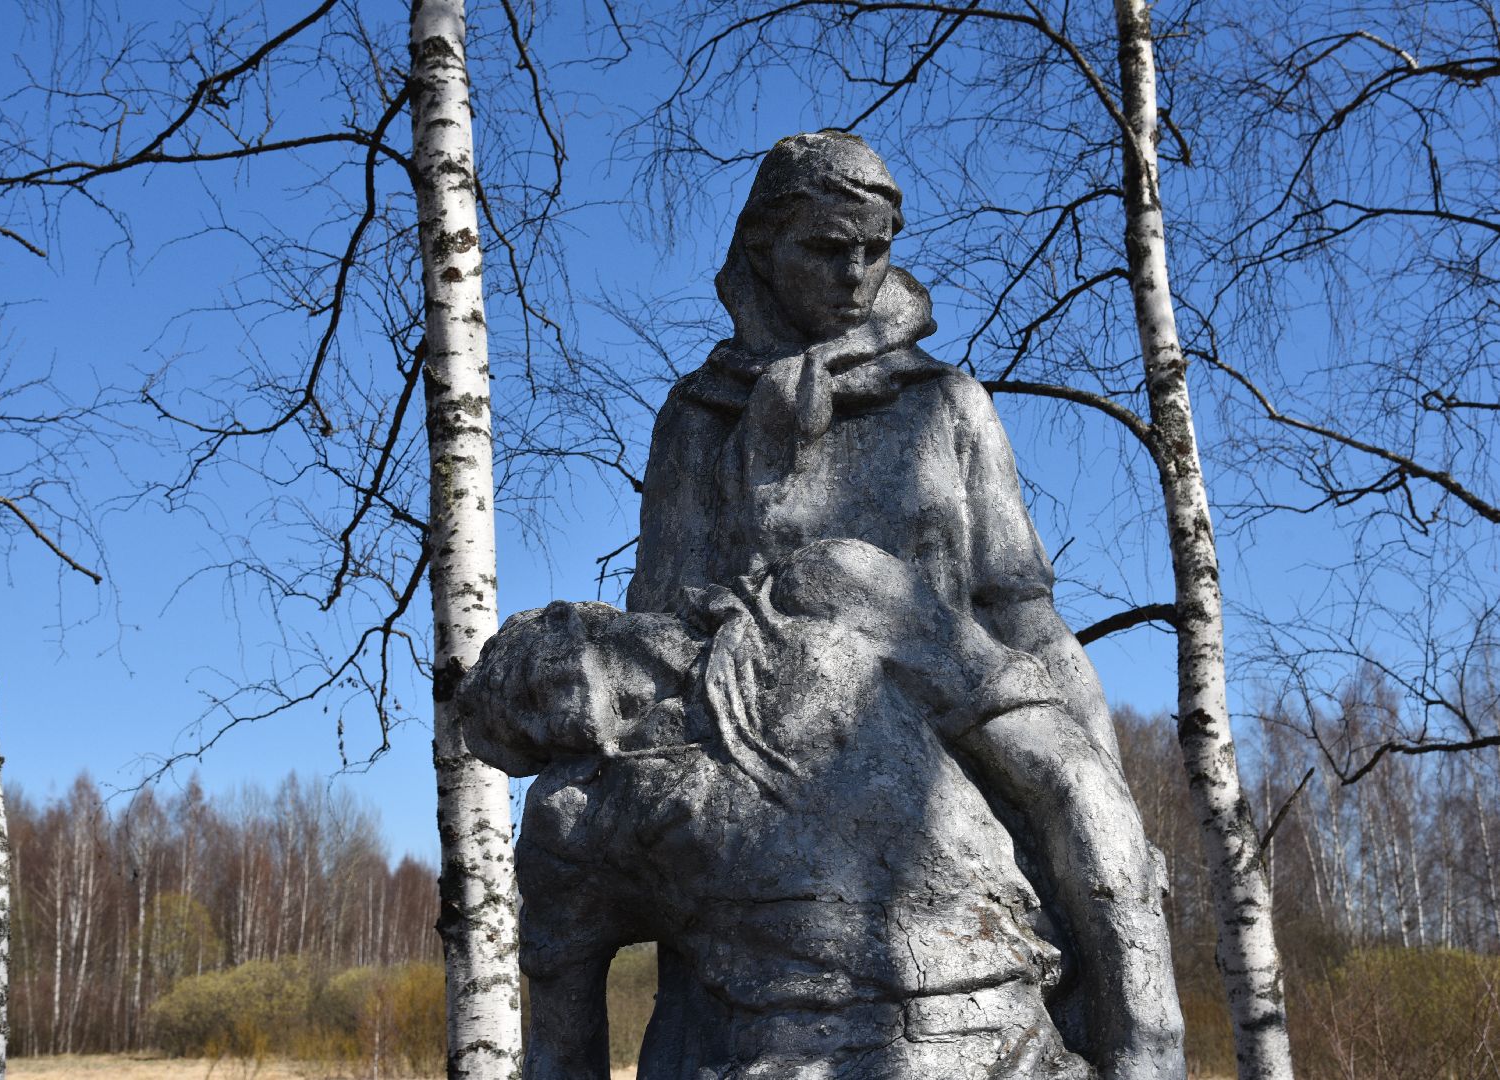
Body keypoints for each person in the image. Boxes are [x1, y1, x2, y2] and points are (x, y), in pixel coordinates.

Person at [623, 131, 1185, 1079]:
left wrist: (1094, 771)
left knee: (1099, 873)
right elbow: (656, 636)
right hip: (759, 806)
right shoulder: (698, 417)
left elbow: (1020, 607)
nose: (855, 272)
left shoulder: (945, 404)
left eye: (874, 247)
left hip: (947, 777)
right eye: (825, 247)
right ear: (763, 248)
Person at [461, 539, 1148, 1079]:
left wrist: (1145, 1035)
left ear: (564, 619)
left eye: (525, 690)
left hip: (1004, 1039)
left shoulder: (828, 591)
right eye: (530, 738)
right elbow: (561, 1048)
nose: (544, 726)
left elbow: (1063, 775)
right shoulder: (578, 817)